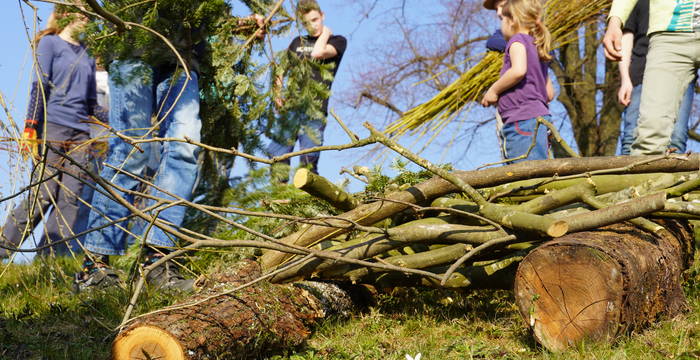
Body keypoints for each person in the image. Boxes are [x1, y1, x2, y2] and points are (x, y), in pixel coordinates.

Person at [76, 2, 266, 291]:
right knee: (130, 150)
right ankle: (94, 265)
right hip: (133, 42)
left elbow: (207, 11)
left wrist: (237, 24)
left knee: (185, 148)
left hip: (182, 57)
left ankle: (157, 258)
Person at [0, 5, 102, 259]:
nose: (87, 19)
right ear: (67, 14)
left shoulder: (87, 54)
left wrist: (117, 125)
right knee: (43, 194)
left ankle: (50, 259)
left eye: (89, 16)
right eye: (83, 13)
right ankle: (3, 248)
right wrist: (30, 127)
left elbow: (91, 104)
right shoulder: (50, 44)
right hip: (53, 128)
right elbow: (39, 87)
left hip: (80, 135)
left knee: (70, 198)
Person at [604, 0, 700, 155]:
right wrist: (615, 21)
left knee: (677, 136)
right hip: (670, 34)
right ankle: (647, 178)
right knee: (650, 135)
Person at [267, 0, 347, 179]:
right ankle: (278, 199)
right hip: (291, 107)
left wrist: (325, 33)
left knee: (308, 160)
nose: (312, 26)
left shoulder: (337, 41)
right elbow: (280, 69)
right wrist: (277, 94)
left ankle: (305, 201)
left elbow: (318, 53)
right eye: (306, 23)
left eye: (315, 19)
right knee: (277, 154)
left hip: (315, 109)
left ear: (322, 16)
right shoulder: (297, 42)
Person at [481, 0, 555, 163]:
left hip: (521, 122)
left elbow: (518, 70)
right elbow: (549, 93)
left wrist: (494, 90)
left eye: (502, 20)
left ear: (511, 21)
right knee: (540, 170)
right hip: (541, 119)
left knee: (524, 175)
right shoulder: (539, 47)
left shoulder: (517, 41)